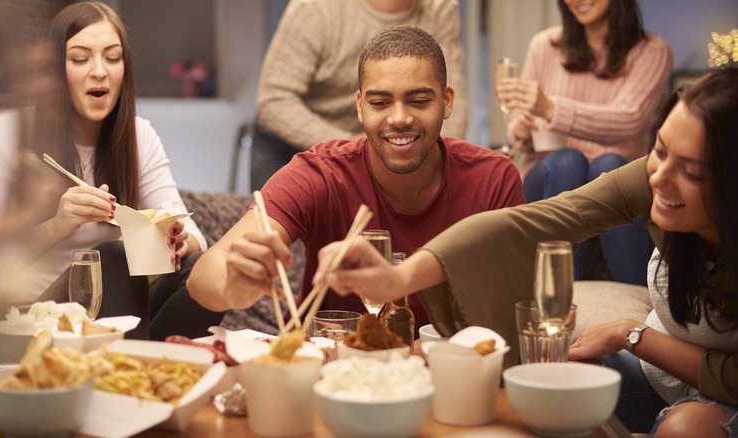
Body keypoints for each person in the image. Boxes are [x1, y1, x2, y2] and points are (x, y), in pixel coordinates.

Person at [315, 67, 738, 437]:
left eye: (691, 172)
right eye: (659, 151)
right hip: (656, 379)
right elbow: (537, 222)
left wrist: (632, 334)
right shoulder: (653, 181)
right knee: (541, 391)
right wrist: (400, 279)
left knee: (688, 428)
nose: (660, 179)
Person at [187, 25, 525, 334]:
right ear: (361, 107)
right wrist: (232, 283)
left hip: (448, 375)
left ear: (447, 102)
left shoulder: (493, 178)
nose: (400, 118)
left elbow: (515, 308)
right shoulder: (320, 173)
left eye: (419, 101)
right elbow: (205, 273)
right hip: (329, 374)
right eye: (380, 103)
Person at [0, 1, 223, 342]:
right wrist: (56, 226)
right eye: (80, 58)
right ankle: (133, 372)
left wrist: (176, 237)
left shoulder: (138, 134)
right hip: (31, 318)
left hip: (110, 317)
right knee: (112, 257)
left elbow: (191, 232)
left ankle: (145, 367)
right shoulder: (9, 130)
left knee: (207, 271)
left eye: (112, 58)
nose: (100, 71)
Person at [496, 0, 673, 286]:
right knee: (568, 160)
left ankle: (640, 305)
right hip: (549, 172)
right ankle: (558, 298)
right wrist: (519, 127)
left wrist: (552, 109)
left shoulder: (651, 51)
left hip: (616, 172)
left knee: (611, 165)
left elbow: (630, 119)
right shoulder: (545, 45)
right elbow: (516, 124)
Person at [251, 0, 469, 190]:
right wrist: (349, 145)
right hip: (290, 146)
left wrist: (438, 154)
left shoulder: (440, 8)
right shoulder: (315, 9)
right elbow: (274, 99)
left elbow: (450, 96)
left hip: (375, 145)